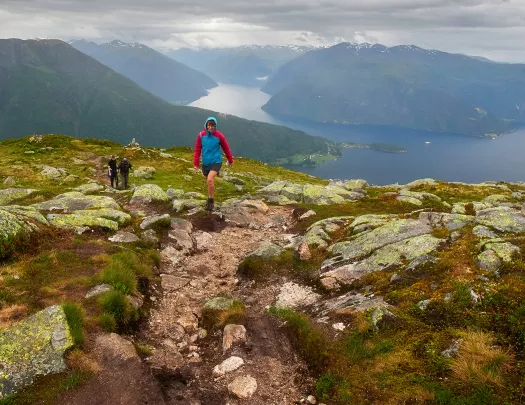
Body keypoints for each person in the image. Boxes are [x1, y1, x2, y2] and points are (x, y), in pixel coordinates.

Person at [193, 117, 234, 211]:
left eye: (212, 125)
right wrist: (196, 163)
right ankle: (210, 197)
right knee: (208, 181)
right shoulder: (201, 135)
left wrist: (230, 159)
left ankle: (211, 201)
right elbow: (197, 149)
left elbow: (226, 148)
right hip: (205, 163)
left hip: (216, 162)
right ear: (206, 125)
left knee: (210, 179)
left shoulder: (220, 136)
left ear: (215, 126)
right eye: (209, 125)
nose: (210, 127)